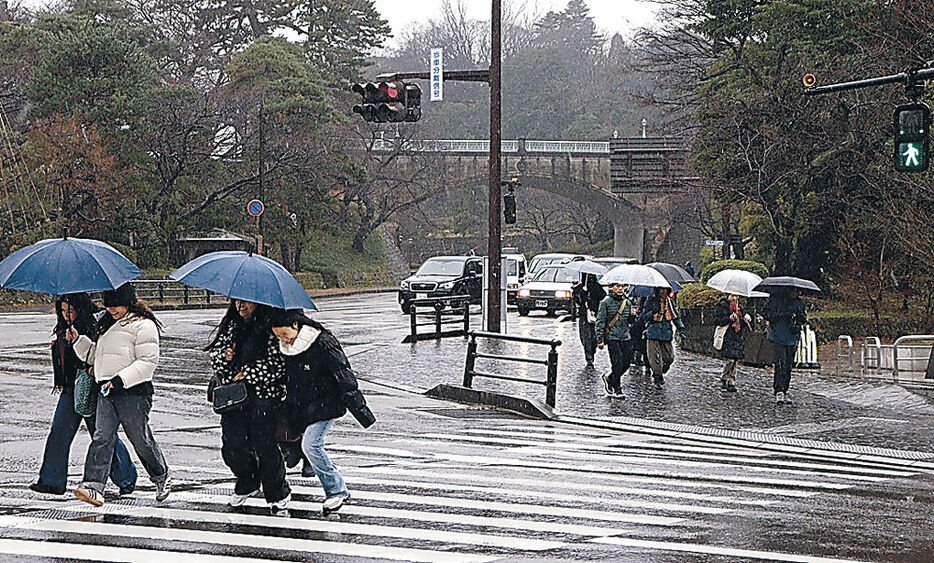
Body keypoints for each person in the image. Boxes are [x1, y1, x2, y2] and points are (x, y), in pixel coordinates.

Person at [268, 308, 376, 515]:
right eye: (278, 336)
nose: (283, 339)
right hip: (302, 407)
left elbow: (344, 375)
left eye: (284, 334)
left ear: (296, 326)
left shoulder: (322, 343)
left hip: (326, 405)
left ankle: (336, 490)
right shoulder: (286, 349)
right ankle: (331, 488)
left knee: (311, 446)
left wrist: (361, 411)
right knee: (303, 445)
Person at [71, 284, 170, 506]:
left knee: (140, 440)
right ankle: (94, 485)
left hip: (134, 393)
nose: (111, 309)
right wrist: (78, 340)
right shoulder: (107, 325)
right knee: (102, 437)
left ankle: (161, 475)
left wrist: (120, 380)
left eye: (116, 305)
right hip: (106, 391)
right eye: (108, 304)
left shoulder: (143, 326)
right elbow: (96, 356)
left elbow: (147, 362)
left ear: (128, 302)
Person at [29, 293, 138, 496]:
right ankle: (51, 481)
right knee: (59, 432)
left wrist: (89, 362)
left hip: (93, 387)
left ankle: (126, 477)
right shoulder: (64, 328)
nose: (66, 314)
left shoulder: (96, 324)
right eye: (62, 311)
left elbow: (104, 353)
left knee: (102, 435)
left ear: (80, 308)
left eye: (69, 310)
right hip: (71, 388)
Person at [206, 299, 291, 516]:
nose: (240, 307)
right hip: (234, 398)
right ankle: (248, 480)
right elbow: (216, 359)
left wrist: (250, 372)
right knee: (232, 446)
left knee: (266, 447)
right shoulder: (231, 326)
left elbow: (279, 365)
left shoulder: (271, 327)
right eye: (236, 302)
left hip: (263, 397)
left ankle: (277, 492)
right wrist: (227, 356)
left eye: (246, 303)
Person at [762, 288, 807, 404]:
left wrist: (798, 319)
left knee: (788, 365)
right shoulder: (776, 300)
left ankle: (785, 389)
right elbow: (766, 314)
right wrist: (781, 314)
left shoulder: (799, 303)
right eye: (793, 291)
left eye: (797, 291)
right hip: (778, 336)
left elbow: (803, 319)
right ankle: (779, 389)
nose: (795, 293)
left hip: (792, 337)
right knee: (780, 363)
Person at [639, 286, 685, 386]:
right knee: (654, 358)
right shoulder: (650, 301)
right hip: (653, 332)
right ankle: (657, 376)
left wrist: (681, 329)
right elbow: (643, 317)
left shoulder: (670, 302)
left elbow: (676, 316)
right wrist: (652, 313)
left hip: (666, 333)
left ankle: (662, 369)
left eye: (665, 289)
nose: (663, 291)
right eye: (660, 289)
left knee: (669, 357)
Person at [595, 283, 632, 398]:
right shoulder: (605, 302)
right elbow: (600, 321)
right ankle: (617, 388)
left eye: (623, 286)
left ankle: (610, 378)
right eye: (618, 286)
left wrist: (633, 316)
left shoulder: (627, 303)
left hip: (625, 336)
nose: (621, 289)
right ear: (612, 287)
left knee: (626, 363)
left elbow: (629, 322)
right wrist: (600, 339)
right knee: (617, 362)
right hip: (612, 337)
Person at [714, 293, 752, 393]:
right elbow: (718, 321)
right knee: (730, 360)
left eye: (736, 296)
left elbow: (742, 324)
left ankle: (731, 382)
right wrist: (729, 318)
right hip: (727, 335)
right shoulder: (722, 306)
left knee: (735, 360)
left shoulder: (740, 308)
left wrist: (745, 319)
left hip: (737, 336)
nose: (734, 298)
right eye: (732, 295)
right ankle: (724, 377)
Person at [573, 273, 605, 370]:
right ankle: (589, 358)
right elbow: (577, 300)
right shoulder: (580, 287)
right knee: (586, 337)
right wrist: (583, 291)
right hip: (584, 316)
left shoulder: (597, 287)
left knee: (594, 338)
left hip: (595, 315)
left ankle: (592, 352)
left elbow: (602, 296)